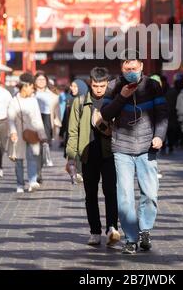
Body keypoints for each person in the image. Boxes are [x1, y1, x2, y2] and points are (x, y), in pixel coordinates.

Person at [101, 51, 168, 255]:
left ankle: (145, 230)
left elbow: (162, 114)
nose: (131, 71)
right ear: (122, 68)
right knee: (125, 197)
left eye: (134, 68)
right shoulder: (113, 86)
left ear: (141, 66)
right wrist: (122, 97)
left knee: (150, 194)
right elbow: (105, 114)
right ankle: (131, 238)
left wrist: (159, 136)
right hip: (122, 148)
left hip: (147, 148)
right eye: (126, 68)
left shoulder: (152, 86)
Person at [66, 67, 120, 247]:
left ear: (107, 83)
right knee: (90, 195)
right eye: (95, 85)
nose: (98, 89)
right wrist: (71, 157)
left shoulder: (113, 101)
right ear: (90, 83)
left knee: (111, 192)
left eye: (102, 85)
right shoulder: (80, 102)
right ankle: (95, 231)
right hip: (88, 155)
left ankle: (112, 228)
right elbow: (72, 132)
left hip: (109, 153)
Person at [8, 72, 47, 193]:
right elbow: (10, 119)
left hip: (32, 133)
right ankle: (20, 184)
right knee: (19, 160)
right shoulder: (14, 101)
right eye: (31, 87)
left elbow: (37, 119)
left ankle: (32, 181)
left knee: (32, 157)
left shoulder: (33, 100)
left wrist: (42, 135)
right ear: (25, 86)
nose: (32, 89)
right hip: (18, 134)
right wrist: (13, 132)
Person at [34, 71, 62, 176]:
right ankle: (36, 172)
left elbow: (57, 112)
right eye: (38, 79)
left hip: (46, 121)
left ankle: (38, 171)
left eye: (43, 79)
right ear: (34, 81)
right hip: (33, 122)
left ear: (46, 81)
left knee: (41, 148)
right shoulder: (31, 93)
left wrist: (57, 124)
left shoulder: (53, 95)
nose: (41, 82)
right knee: (34, 148)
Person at [61, 80, 83, 182]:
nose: (72, 88)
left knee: (79, 153)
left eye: (75, 87)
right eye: (71, 86)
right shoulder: (69, 99)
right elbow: (65, 117)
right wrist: (62, 132)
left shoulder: (84, 100)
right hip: (70, 131)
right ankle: (75, 173)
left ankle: (79, 172)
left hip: (81, 131)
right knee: (71, 153)